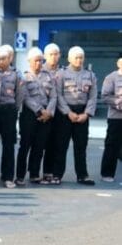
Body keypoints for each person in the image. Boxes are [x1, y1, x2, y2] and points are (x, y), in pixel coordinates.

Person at [53, 46, 97, 185]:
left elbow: (93, 96)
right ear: (69, 58)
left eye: (81, 57)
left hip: (82, 113)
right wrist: (68, 112)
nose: (79, 60)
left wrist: (87, 114)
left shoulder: (90, 75)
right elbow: (58, 95)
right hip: (65, 113)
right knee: (61, 146)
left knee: (81, 146)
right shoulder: (61, 74)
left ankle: (82, 175)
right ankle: (57, 175)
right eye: (76, 57)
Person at [15, 47, 56, 185]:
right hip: (30, 114)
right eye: (36, 61)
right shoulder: (24, 76)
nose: (39, 63)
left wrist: (49, 112)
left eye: (41, 61)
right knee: (25, 145)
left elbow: (54, 96)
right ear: (29, 61)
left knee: (39, 145)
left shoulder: (49, 76)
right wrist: (39, 110)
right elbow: (25, 97)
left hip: (46, 115)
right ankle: (20, 175)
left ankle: (34, 174)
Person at [0, 45, 19, 188]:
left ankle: (8, 177)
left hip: (9, 110)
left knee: (8, 145)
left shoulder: (16, 74)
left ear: (9, 59)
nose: (0, 61)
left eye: (3, 58)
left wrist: (14, 109)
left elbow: (20, 94)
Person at [41, 43, 63, 183]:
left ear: (59, 55)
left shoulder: (64, 72)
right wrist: (47, 111)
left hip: (60, 112)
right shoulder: (40, 70)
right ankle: (42, 172)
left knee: (57, 143)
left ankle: (55, 173)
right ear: (45, 56)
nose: (54, 57)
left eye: (56, 54)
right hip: (44, 112)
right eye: (51, 54)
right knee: (43, 143)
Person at [100, 57, 122, 181]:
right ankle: (107, 173)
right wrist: (119, 103)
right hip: (116, 117)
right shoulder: (111, 78)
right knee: (112, 145)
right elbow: (105, 96)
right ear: (119, 64)